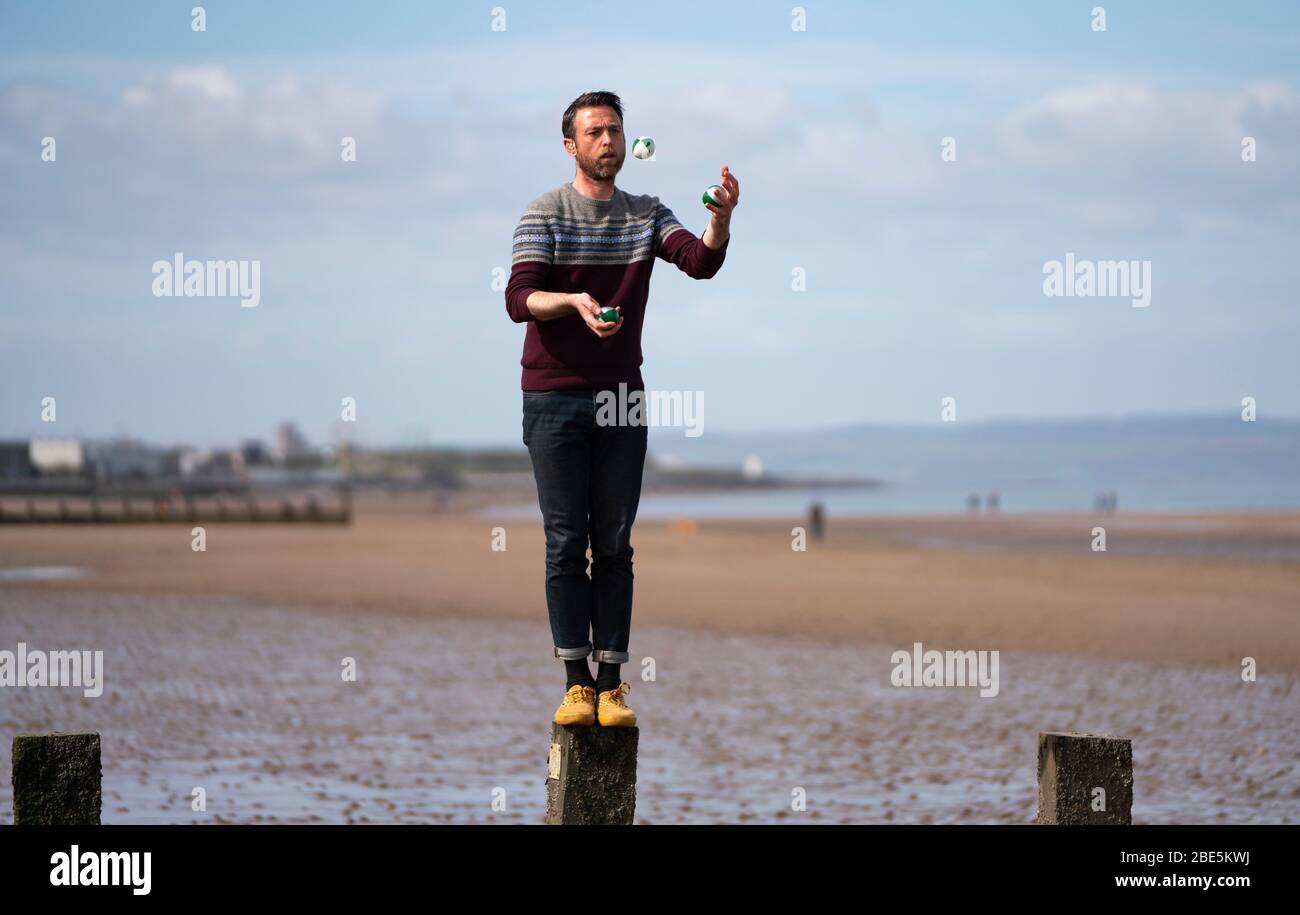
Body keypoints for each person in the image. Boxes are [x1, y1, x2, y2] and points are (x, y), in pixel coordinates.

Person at [504, 90, 738, 727]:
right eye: (594, 132)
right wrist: (576, 301)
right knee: (564, 541)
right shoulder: (543, 213)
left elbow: (700, 261)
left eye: (615, 131)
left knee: (614, 542)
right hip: (552, 395)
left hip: (619, 397)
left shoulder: (645, 214)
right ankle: (575, 681)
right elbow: (519, 298)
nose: (607, 141)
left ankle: (611, 684)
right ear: (570, 145)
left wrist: (719, 219)